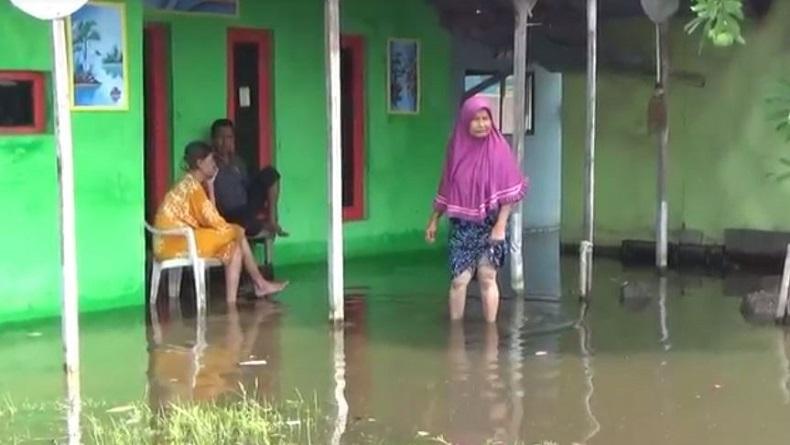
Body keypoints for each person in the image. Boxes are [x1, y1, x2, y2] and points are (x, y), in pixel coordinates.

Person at [425, 95, 528, 323]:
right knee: (458, 280)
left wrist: (500, 226)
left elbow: (510, 192)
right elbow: (446, 184)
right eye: (476, 119)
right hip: (462, 225)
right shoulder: (456, 148)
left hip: (491, 224)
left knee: (487, 277)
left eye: (485, 118)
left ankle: (491, 339)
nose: (482, 124)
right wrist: (434, 218)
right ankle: (455, 334)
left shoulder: (499, 149)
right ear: (465, 121)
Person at [153, 141, 288, 303]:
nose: (214, 165)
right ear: (199, 163)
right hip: (174, 243)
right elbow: (215, 221)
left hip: (171, 241)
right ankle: (260, 283)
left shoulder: (189, 183)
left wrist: (210, 187)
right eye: (211, 161)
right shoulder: (193, 187)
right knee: (237, 231)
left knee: (234, 248)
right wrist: (233, 230)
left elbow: (211, 218)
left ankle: (232, 302)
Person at [210, 119, 288, 238]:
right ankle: (260, 225)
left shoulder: (237, 161)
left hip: (246, 208)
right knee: (247, 223)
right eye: (220, 137)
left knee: (270, 173)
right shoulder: (209, 162)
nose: (225, 142)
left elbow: (247, 186)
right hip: (228, 214)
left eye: (229, 137)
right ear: (213, 140)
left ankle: (272, 220)